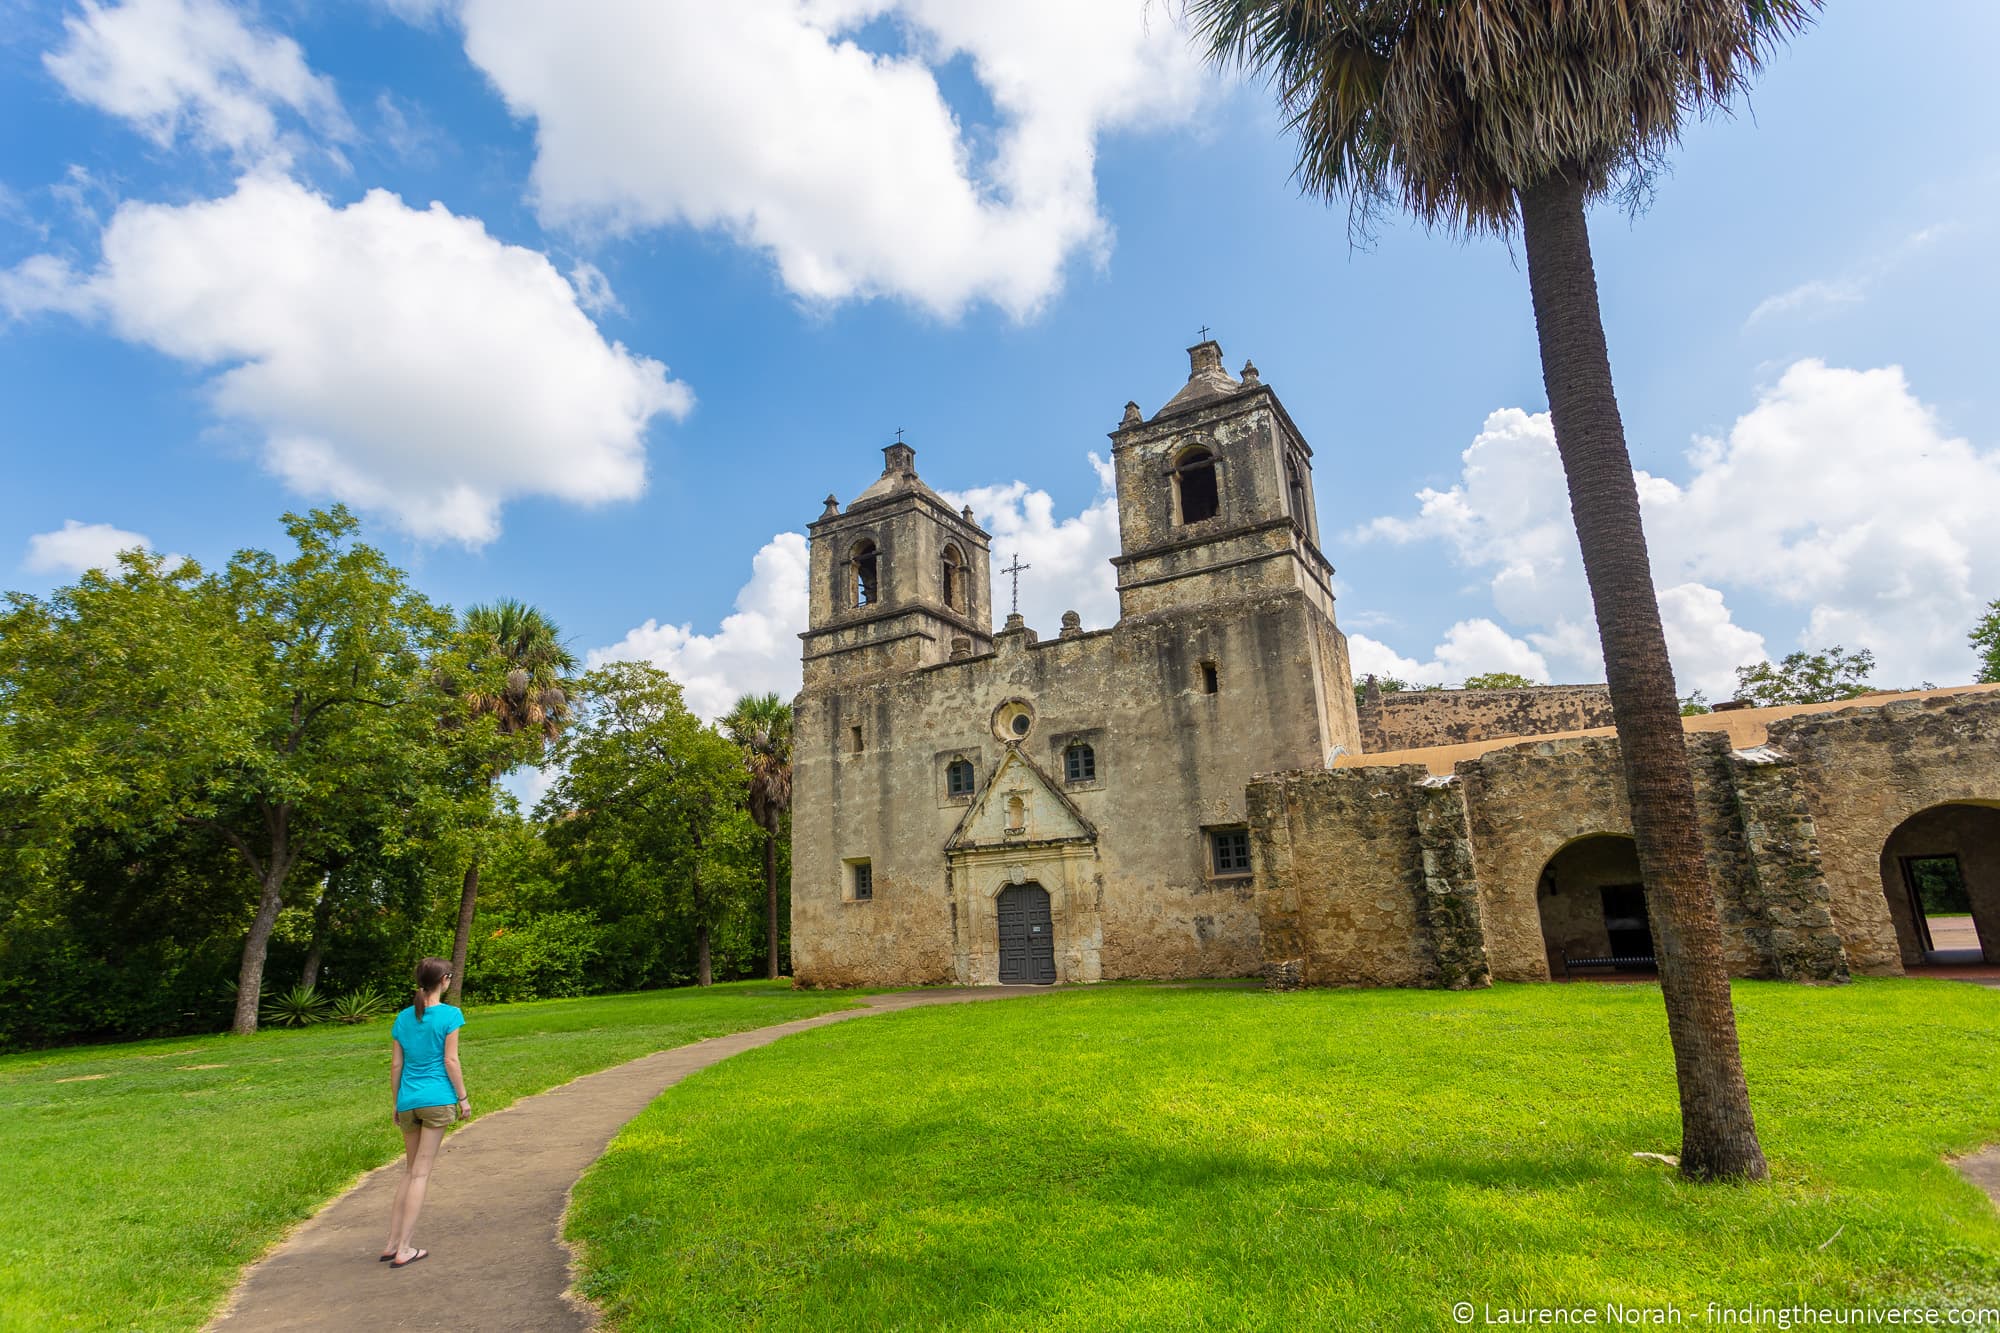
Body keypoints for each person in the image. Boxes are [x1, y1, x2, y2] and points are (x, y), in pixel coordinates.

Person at [381, 957, 470, 1268]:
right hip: (437, 1099)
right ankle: (405, 1248)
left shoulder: (403, 1018)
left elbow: (396, 1065)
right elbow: (451, 1061)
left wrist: (396, 1103)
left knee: (409, 1171)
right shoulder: (450, 1015)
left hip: (408, 1101)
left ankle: (392, 1243)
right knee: (421, 1172)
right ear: (444, 980)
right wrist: (463, 1098)